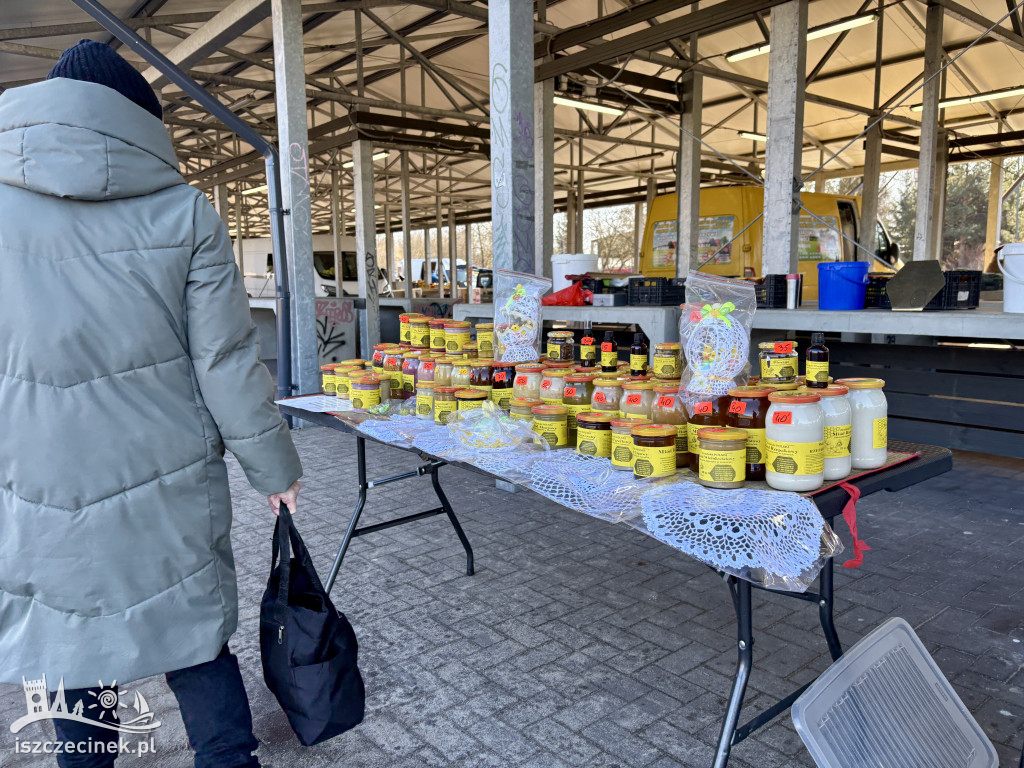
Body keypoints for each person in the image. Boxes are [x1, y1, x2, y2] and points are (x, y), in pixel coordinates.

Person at [0, 40, 303, 768]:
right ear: (138, 121)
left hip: (37, 485)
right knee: (194, 637)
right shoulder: (186, 212)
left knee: (74, 651)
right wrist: (275, 471)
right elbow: (226, 363)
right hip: (166, 481)